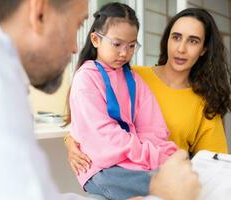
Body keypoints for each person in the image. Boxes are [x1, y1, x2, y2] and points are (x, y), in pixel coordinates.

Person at [0, 0, 200, 200]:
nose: (75, 49)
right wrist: (157, 183)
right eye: (76, 25)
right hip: (107, 169)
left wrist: (163, 158)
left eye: (131, 46)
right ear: (39, 12)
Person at [65, 7, 231, 176]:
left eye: (193, 41)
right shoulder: (131, 76)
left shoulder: (205, 104)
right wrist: (71, 142)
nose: (181, 48)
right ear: (167, 40)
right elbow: (90, 118)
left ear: (204, 49)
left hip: (166, 182)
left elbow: (214, 167)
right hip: (120, 175)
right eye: (176, 37)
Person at [68, 3, 177, 199]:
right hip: (102, 168)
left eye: (132, 45)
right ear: (95, 39)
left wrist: (154, 156)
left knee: (174, 172)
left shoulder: (134, 79)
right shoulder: (86, 78)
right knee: (172, 184)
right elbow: (102, 137)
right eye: (117, 44)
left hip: (132, 162)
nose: (124, 53)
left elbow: (154, 127)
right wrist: (150, 156)